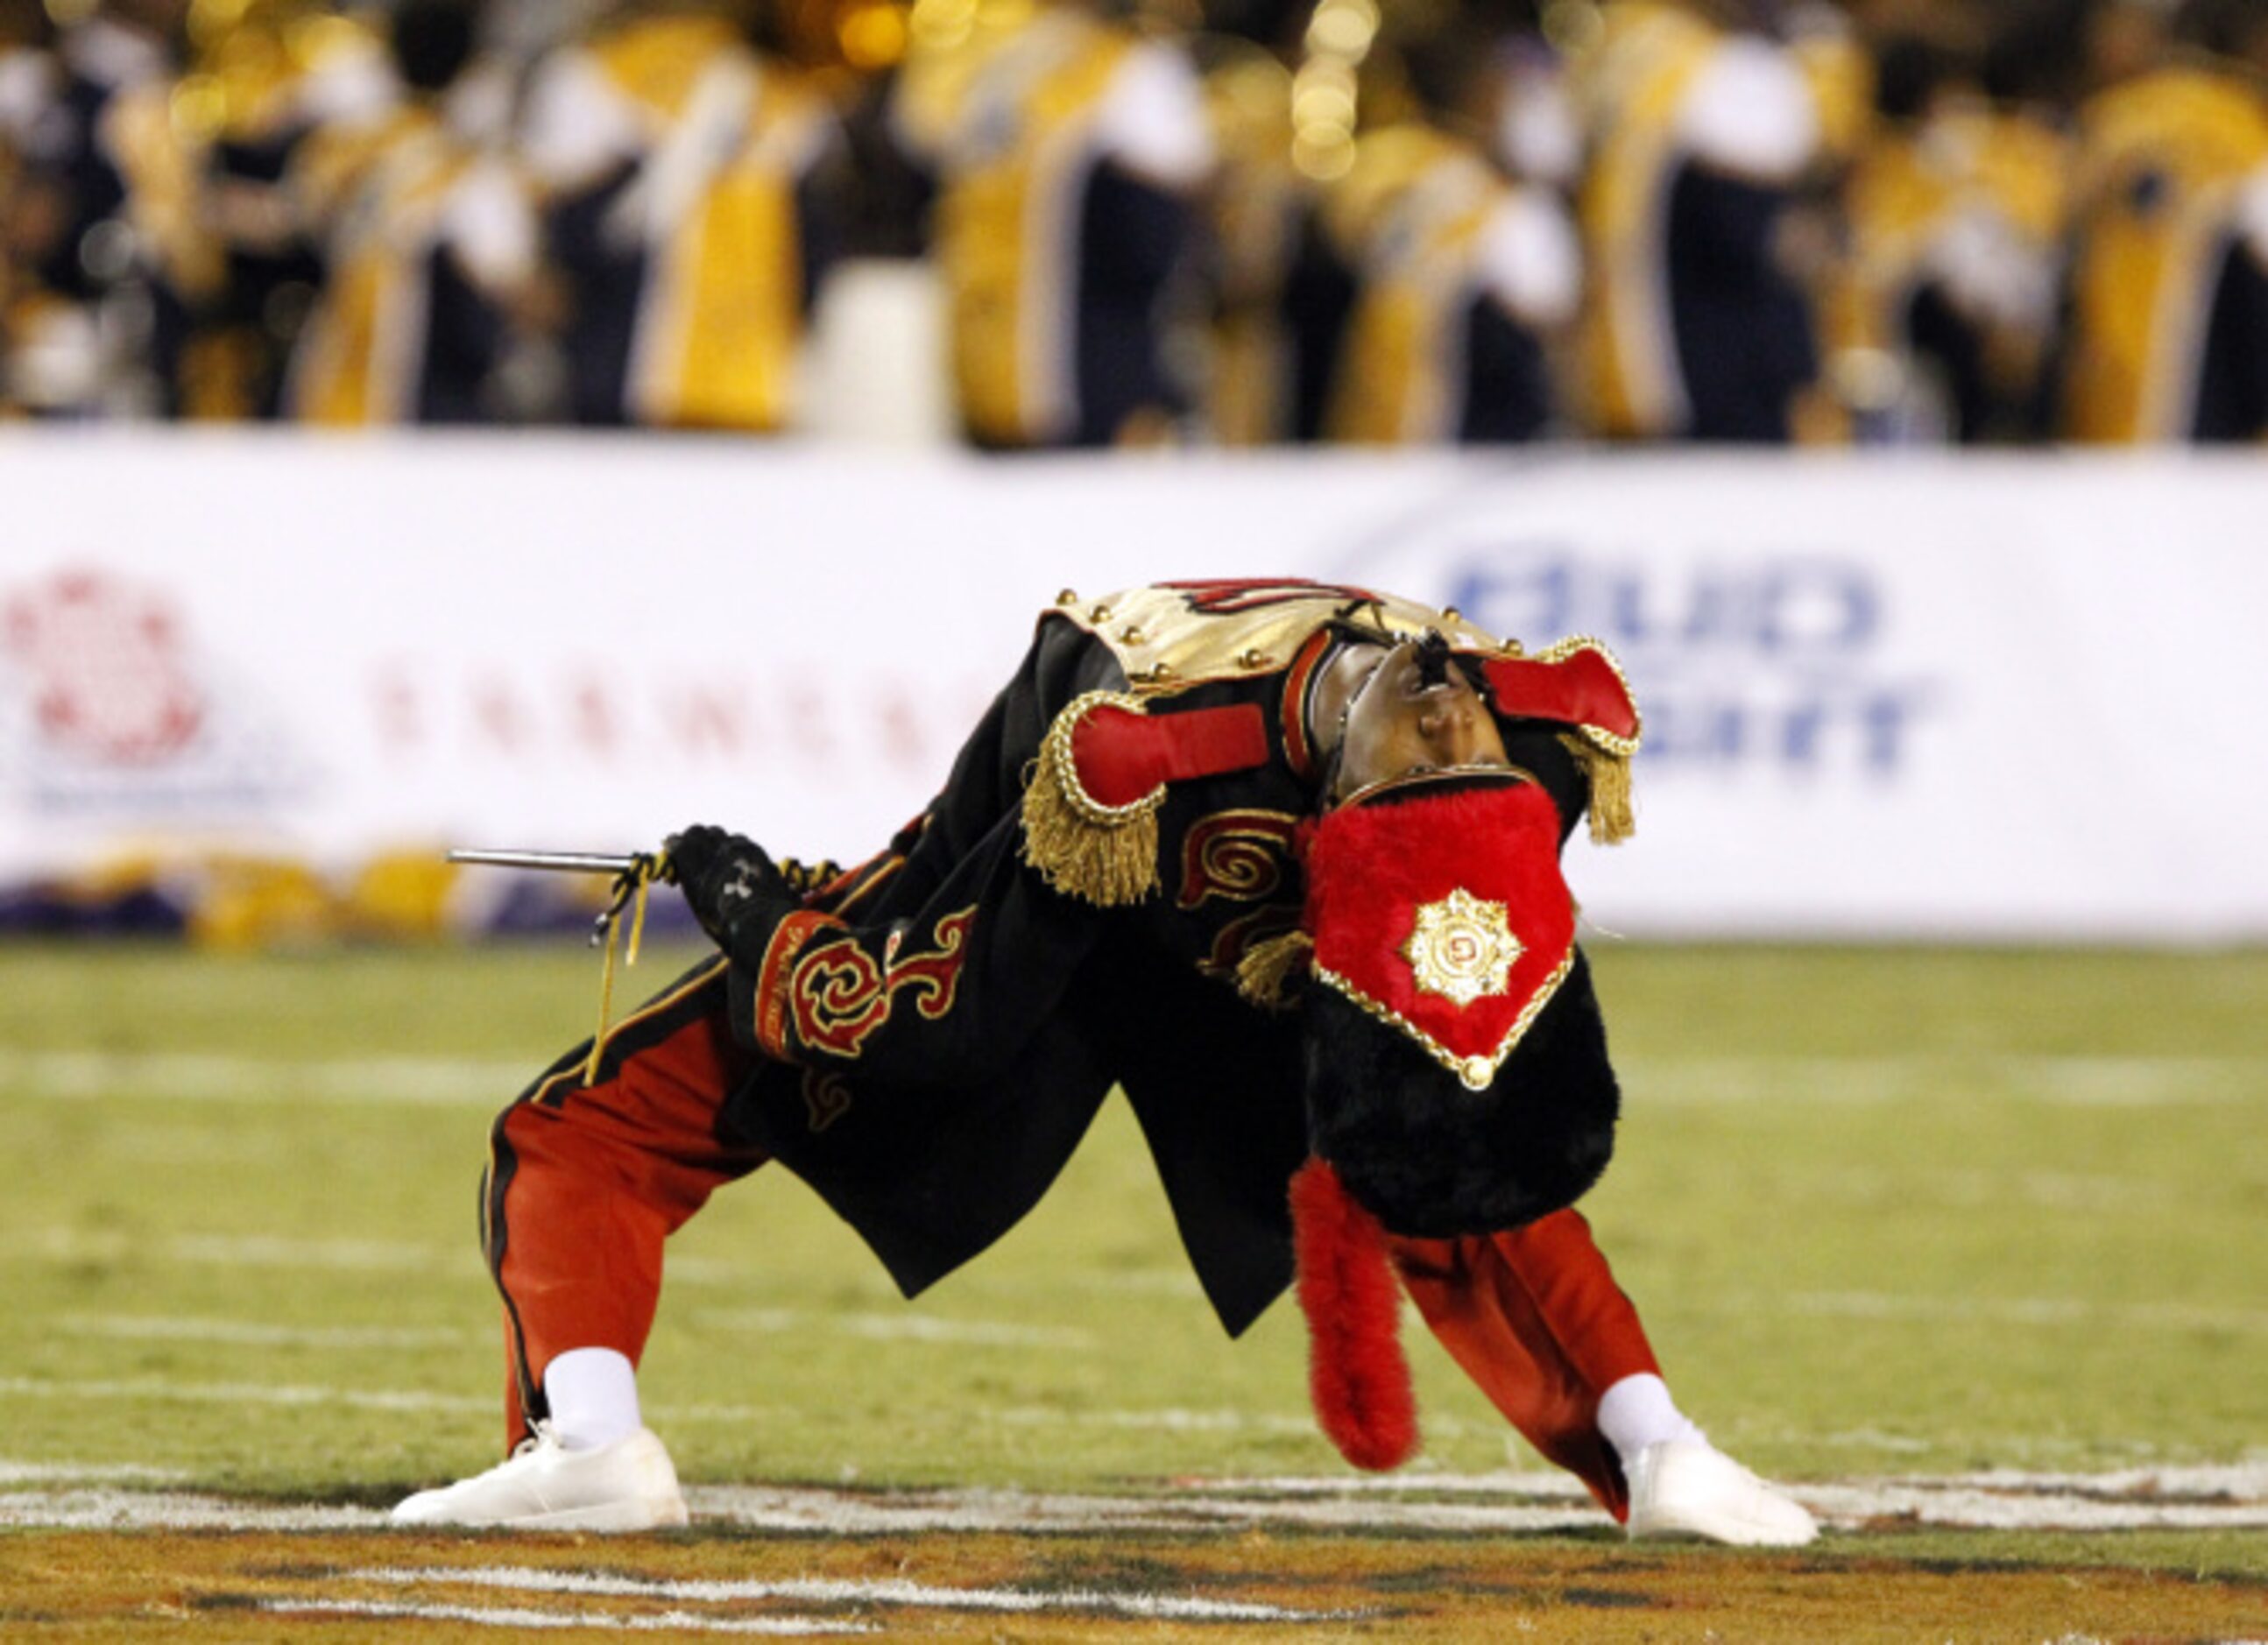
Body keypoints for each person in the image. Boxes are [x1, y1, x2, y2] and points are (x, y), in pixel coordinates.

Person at [392, 579, 1818, 1549]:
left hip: (1236, 924)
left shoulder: (1470, 757)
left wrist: (744, 895)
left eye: (1454, 758)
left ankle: (1660, 1447)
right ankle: (591, 1442)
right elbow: (934, 1016)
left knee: (1441, 1137)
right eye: (1440, 749)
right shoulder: (1153, 754)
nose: (1450, 725)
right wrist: (791, 908)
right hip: (1036, 889)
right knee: (596, 1123)